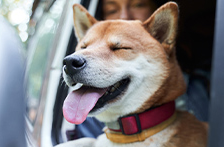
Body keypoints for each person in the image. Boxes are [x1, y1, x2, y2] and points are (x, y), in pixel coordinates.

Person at [75, 0, 210, 139]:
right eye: (111, 10)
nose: (123, 16)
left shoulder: (204, 79)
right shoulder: (85, 102)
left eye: (138, 5)